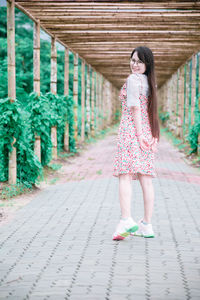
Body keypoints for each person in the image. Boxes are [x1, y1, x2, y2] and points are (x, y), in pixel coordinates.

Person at [112, 46, 160, 241]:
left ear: (147, 64)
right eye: (133, 60)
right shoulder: (150, 83)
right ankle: (146, 224)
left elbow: (134, 108)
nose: (135, 64)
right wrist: (150, 135)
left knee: (125, 175)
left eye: (140, 61)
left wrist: (138, 135)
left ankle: (126, 220)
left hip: (132, 131)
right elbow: (149, 111)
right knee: (145, 179)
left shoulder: (133, 80)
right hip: (147, 131)